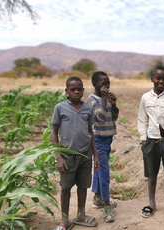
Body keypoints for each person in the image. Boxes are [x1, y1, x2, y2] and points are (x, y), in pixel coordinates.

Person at [51, 76, 100, 230]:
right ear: (67, 91)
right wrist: (58, 156)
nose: (77, 92)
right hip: (67, 156)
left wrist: (95, 155)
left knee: (83, 185)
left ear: (83, 90)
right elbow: (54, 132)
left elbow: (90, 132)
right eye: (73, 89)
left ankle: (81, 214)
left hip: (85, 155)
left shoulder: (87, 109)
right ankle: (64, 220)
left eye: (79, 89)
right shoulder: (60, 108)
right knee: (65, 188)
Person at [138, 66, 164, 218]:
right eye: (158, 78)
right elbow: (142, 119)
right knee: (152, 174)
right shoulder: (145, 97)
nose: (161, 81)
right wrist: (143, 140)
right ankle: (151, 203)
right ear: (152, 79)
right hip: (151, 141)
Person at [87, 71, 119, 223]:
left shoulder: (106, 98)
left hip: (108, 138)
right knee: (104, 173)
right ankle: (107, 207)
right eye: (103, 83)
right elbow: (98, 118)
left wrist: (113, 104)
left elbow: (114, 117)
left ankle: (98, 198)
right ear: (95, 84)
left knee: (99, 169)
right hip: (98, 139)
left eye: (108, 83)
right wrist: (104, 100)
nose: (106, 86)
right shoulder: (92, 100)